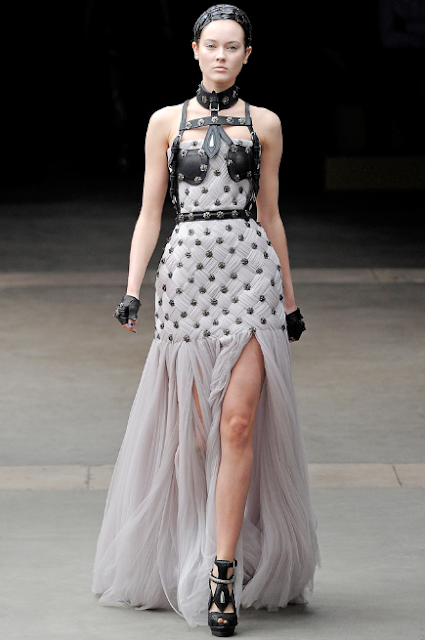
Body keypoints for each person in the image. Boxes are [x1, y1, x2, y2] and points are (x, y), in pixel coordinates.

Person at [93, 5, 319, 637]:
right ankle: (190, 551)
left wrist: (290, 300)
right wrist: (132, 289)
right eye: (212, 45)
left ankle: (223, 572)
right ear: (195, 50)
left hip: (250, 274)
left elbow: (271, 215)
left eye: (233, 46)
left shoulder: (265, 123)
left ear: (248, 54)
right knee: (197, 437)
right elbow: (149, 212)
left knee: (238, 425)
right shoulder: (165, 122)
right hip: (187, 278)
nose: (221, 55)